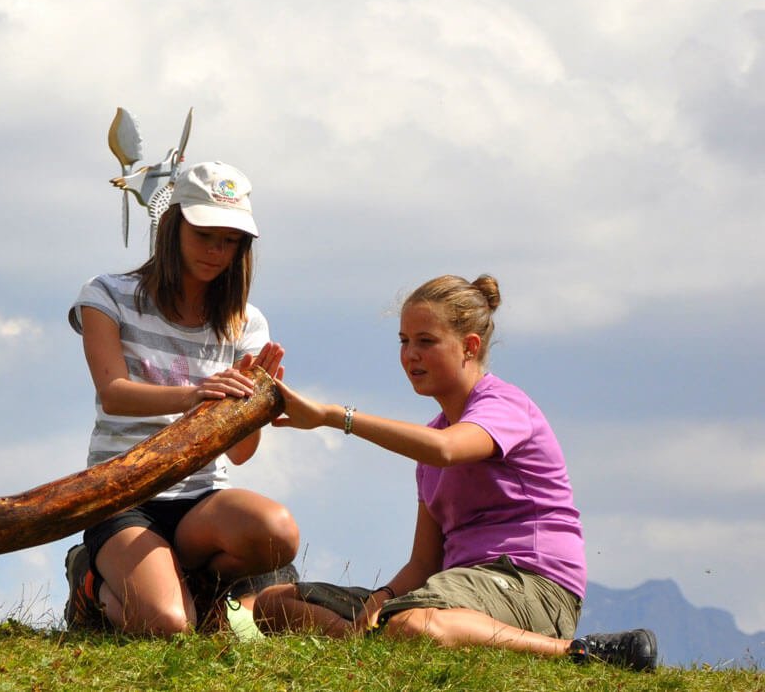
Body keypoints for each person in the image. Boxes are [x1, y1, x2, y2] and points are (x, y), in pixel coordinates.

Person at [254, 274, 659, 670]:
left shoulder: (503, 406)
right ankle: (380, 638)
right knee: (275, 604)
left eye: (426, 341)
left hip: (530, 583)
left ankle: (577, 652)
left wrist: (332, 416)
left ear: (469, 346)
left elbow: (448, 451)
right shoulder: (431, 438)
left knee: (413, 622)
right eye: (404, 341)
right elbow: (423, 563)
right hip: (452, 590)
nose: (410, 354)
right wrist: (380, 600)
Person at [62, 161, 300, 637]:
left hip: (202, 498)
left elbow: (240, 454)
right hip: (123, 494)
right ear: (173, 227)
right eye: (205, 234)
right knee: (169, 626)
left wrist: (253, 411)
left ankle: (181, 584)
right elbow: (114, 395)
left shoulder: (246, 322)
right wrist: (197, 395)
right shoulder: (107, 293)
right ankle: (90, 579)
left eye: (231, 241)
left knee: (278, 533)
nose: (217, 251)